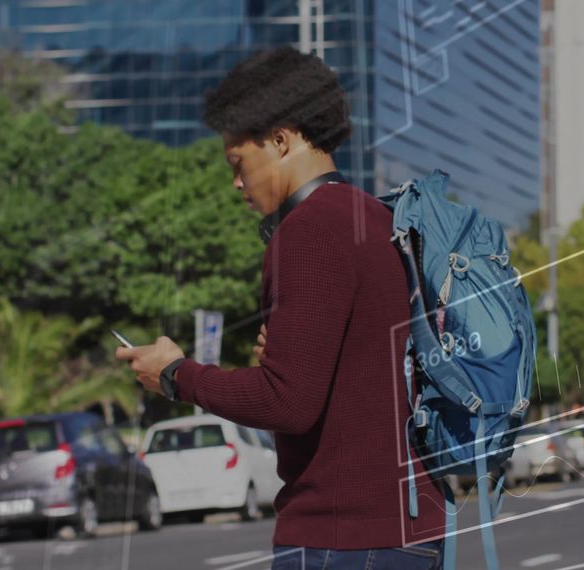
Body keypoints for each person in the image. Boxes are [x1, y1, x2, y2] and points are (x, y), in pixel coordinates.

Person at [114, 47, 446, 569]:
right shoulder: (377, 219)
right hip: (407, 527)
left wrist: (177, 375)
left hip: (344, 537)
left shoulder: (309, 231)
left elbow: (287, 403)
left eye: (238, 163)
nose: (237, 184)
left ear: (281, 139)